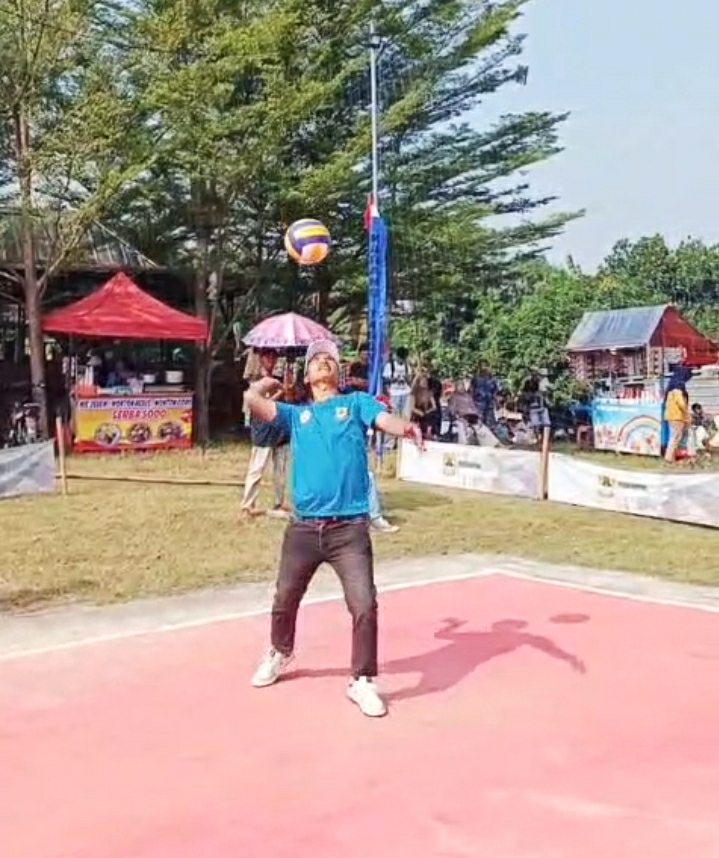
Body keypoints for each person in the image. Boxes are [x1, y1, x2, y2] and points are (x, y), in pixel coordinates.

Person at [245, 339, 423, 717]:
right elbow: (253, 401)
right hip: (303, 530)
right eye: (316, 360)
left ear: (338, 373)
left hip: (349, 529)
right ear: (307, 376)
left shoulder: (355, 404)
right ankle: (280, 651)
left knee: (364, 604)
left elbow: (384, 420)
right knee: (285, 597)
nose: (324, 362)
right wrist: (265, 383)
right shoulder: (296, 416)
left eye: (330, 359)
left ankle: (362, 680)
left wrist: (406, 428)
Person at [240, 348, 290, 519]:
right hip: (262, 428)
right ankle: (247, 505)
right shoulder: (255, 380)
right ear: (261, 359)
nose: (271, 360)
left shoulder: (278, 379)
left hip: (279, 426)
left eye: (273, 357)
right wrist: (279, 392)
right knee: (257, 467)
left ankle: (279, 501)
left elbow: (287, 401)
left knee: (280, 469)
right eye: (267, 357)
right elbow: (256, 402)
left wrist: (286, 390)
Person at [664, 367, 691, 463]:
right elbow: (681, 404)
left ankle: (670, 457)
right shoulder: (678, 389)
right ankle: (669, 458)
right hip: (677, 416)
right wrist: (687, 415)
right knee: (675, 438)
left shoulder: (671, 388)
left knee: (674, 437)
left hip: (671, 416)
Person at [382, 346, 412, 419]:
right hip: (394, 393)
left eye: (404, 359)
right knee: (394, 414)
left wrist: (407, 378)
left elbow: (410, 381)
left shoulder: (407, 366)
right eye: (401, 358)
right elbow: (385, 380)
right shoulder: (390, 366)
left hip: (406, 392)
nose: (402, 360)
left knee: (405, 414)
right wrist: (394, 379)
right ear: (397, 356)